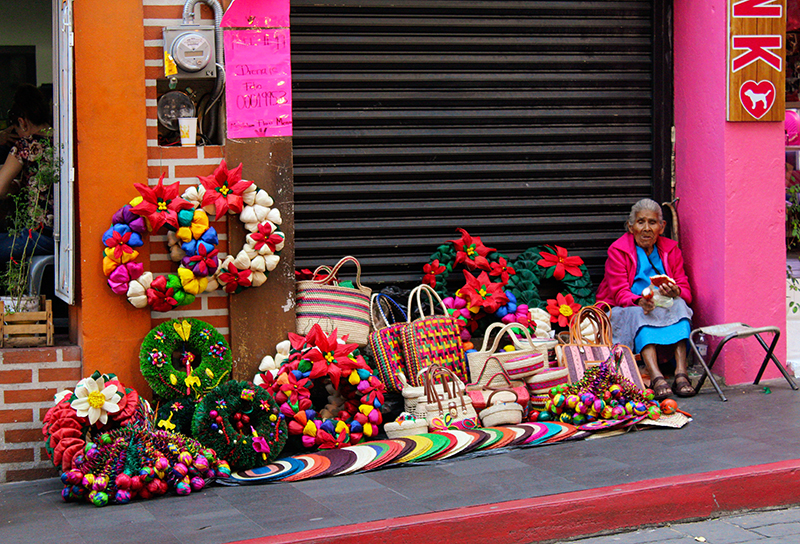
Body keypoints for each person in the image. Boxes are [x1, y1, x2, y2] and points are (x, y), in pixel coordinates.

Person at [595, 198, 695, 400]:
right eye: (641, 222)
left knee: (681, 306)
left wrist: (675, 292)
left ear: (662, 226)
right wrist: (639, 301)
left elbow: (687, 292)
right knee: (641, 313)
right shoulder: (618, 250)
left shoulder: (670, 250)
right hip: (625, 307)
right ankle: (657, 376)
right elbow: (619, 293)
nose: (646, 228)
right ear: (631, 227)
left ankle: (681, 373)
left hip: (659, 305)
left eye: (652, 222)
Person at [0, 84, 55, 261]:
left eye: (16, 129)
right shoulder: (63, 143)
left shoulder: (26, 146)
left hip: (39, 235)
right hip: (62, 234)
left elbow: (0, 189)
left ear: (22, 122)